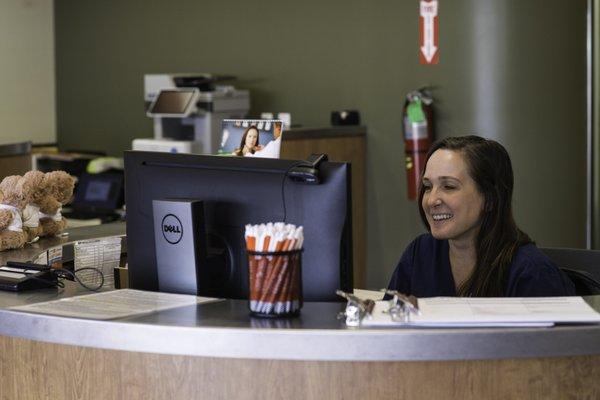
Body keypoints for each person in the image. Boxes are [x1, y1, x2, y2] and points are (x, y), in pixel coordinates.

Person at [387, 135, 575, 297]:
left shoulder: (533, 273)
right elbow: (387, 329)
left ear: (490, 198)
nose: (431, 200)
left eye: (449, 186)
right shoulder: (420, 253)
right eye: (428, 187)